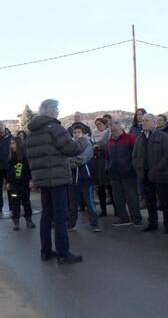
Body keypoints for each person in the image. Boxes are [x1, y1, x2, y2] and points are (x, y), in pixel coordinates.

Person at [26, 99, 83, 264]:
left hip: (42, 179)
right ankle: (63, 254)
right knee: (60, 216)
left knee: (46, 215)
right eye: (57, 110)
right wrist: (82, 141)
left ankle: (45, 251)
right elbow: (72, 149)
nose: (58, 113)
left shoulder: (32, 132)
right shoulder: (55, 128)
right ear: (52, 111)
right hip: (57, 178)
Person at [132, 113, 168, 233]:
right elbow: (135, 155)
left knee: (165, 202)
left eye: (147, 121)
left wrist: (158, 167)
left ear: (154, 122)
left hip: (161, 175)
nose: (144, 123)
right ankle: (152, 223)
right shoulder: (140, 138)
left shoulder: (163, 136)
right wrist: (138, 168)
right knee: (150, 201)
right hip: (145, 175)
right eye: (143, 121)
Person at [106, 120, 142, 227]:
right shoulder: (109, 141)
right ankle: (123, 218)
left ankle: (136, 219)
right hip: (114, 174)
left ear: (121, 128)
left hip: (129, 173)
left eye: (115, 130)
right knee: (118, 198)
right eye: (112, 130)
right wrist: (107, 168)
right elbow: (107, 157)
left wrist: (133, 167)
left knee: (132, 198)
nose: (114, 132)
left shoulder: (130, 138)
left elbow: (136, 154)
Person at [68, 126, 100, 232]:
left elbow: (82, 159)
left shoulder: (87, 144)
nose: (77, 134)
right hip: (73, 178)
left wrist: (71, 161)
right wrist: (72, 161)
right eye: (75, 132)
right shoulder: (70, 146)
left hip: (86, 177)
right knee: (73, 203)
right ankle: (71, 224)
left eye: (79, 132)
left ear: (83, 133)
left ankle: (94, 224)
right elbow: (66, 159)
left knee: (89, 202)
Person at [6, 137, 35, 231]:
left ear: (18, 144)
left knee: (26, 201)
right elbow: (9, 171)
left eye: (14, 143)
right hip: (14, 185)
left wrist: (30, 180)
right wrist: (8, 182)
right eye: (11, 143)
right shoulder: (10, 157)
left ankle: (29, 220)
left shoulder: (25, 156)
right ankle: (16, 222)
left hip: (24, 184)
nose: (12, 145)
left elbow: (29, 169)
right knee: (15, 202)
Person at [93, 117, 112, 217]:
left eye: (100, 124)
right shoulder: (93, 135)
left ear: (105, 125)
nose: (98, 126)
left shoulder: (109, 133)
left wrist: (99, 147)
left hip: (107, 162)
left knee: (110, 187)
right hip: (97, 163)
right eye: (96, 124)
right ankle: (103, 210)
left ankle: (117, 210)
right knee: (100, 188)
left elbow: (108, 146)